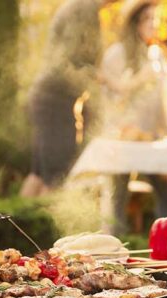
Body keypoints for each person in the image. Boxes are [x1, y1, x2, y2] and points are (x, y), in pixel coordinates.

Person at [21, 0, 117, 197]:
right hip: (57, 102)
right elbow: (72, 58)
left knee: (39, 174)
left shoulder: (80, 6)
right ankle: (46, 227)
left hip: (48, 98)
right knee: (56, 179)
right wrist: (106, 79)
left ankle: (17, 226)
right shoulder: (84, 8)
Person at [100, 0, 167, 234]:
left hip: (151, 137)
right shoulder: (117, 53)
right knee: (118, 195)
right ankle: (113, 251)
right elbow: (110, 98)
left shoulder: (157, 55)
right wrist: (138, 80)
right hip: (123, 137)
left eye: (155, 18)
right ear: (134, 23)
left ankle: (166, 247)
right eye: (147, 19)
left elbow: (165, 99)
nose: (153, 24)